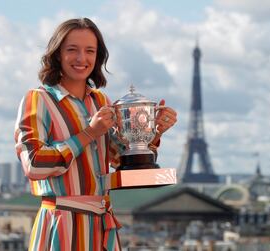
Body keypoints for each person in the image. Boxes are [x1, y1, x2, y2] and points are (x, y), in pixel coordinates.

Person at [14, 17, 177, 251]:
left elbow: (120, 160)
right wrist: (89, 133)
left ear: (98, 57)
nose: (82, 58)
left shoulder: (100, 101)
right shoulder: (38, 100)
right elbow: (34, 165)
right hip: (63, 226)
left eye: (90, 50)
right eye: (72, 50)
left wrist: (153, 132)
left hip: (101, 225)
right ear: (57, 54)